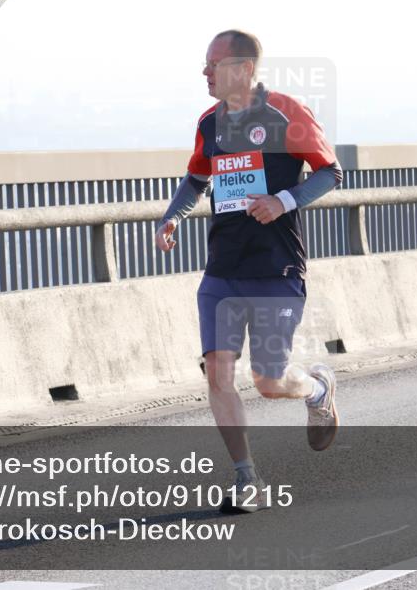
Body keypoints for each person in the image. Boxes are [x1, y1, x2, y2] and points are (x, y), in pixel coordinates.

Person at [155, 30, 344, 513]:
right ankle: (247, 479)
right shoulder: (210, 123)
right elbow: (196, 178)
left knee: (268, 382)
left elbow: (329, 172)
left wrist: (282, 201)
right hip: (222, 269)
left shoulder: (285, 112)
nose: (204, 72)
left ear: (242, 70)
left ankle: (318, 386)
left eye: (212, 64)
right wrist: (172, 216)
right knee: (218, 372)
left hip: (275, 268)